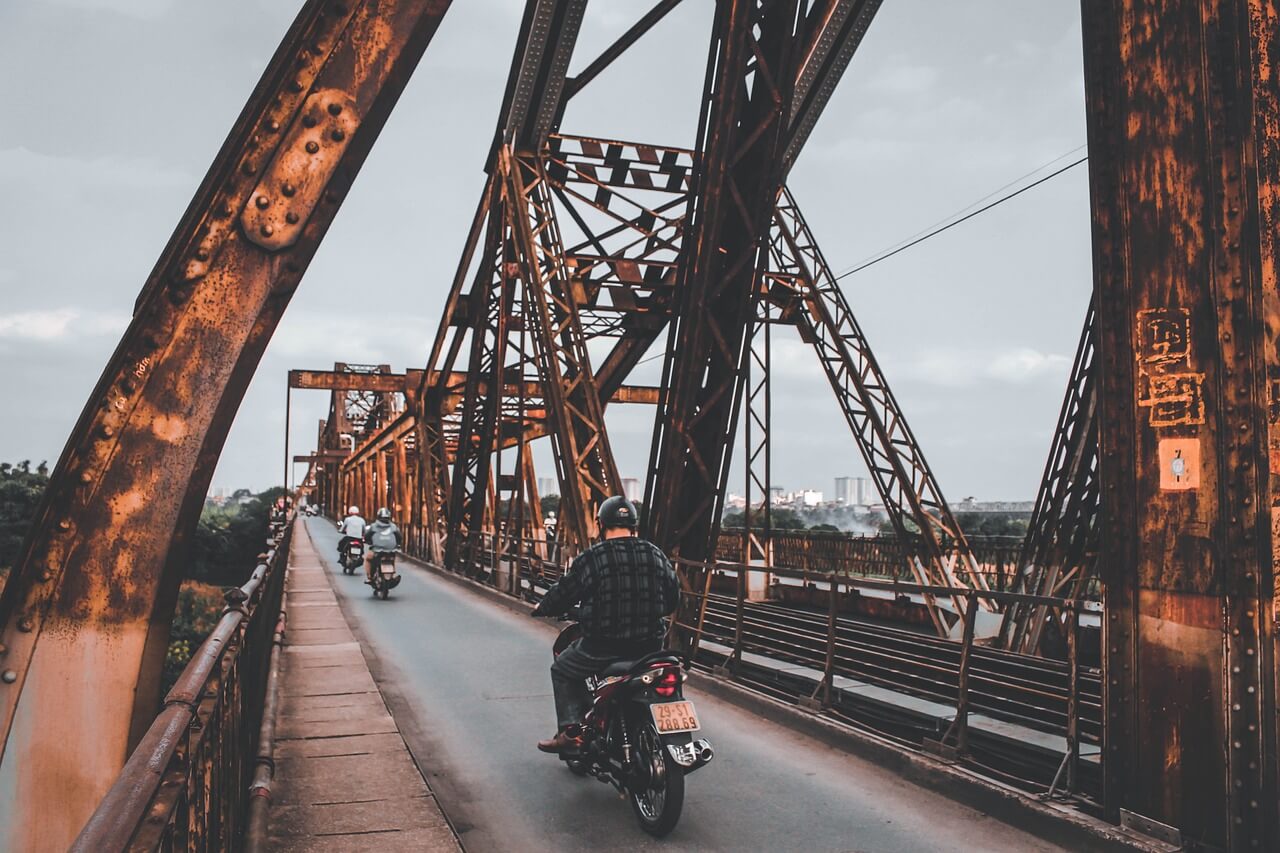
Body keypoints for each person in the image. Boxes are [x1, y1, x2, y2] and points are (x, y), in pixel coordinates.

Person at [530, 495, 681, 753]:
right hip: (650, 647)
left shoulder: (592, 558)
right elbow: (672, 600)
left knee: (563, 670)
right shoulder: (655, 554)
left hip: (603, 647)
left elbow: (563, 593)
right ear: (634, 525)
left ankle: (572, 733)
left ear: (600, 524)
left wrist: (542, 608)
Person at [363, 507, 403, 583]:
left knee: (368, 559)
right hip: (391, 550)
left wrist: (368, 541)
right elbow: (399, 537)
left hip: (377, 550)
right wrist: (397, 544)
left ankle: (370, 577)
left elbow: (367, 536)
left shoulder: (374, 526)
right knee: (392, 559)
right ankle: (393, 575)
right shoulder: (393, 526)